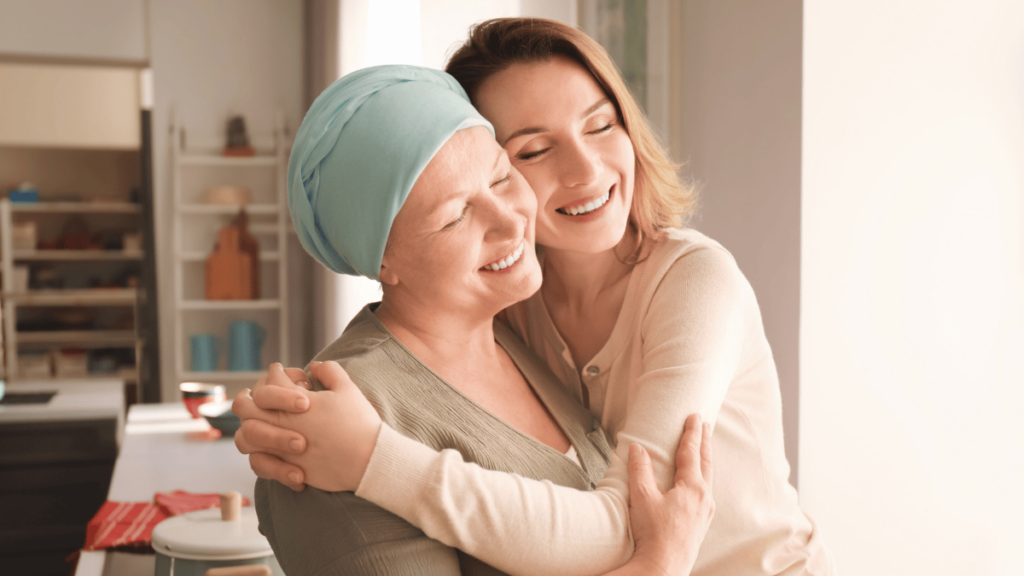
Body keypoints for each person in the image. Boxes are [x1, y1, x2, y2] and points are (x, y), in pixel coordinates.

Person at [237, 17, 835, 576]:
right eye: (531, 152)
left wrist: (374, 459)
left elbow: (624, 523)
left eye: (601, 124)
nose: (584, 169)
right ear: (380, 261)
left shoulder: (693, 282)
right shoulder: (513, 304)